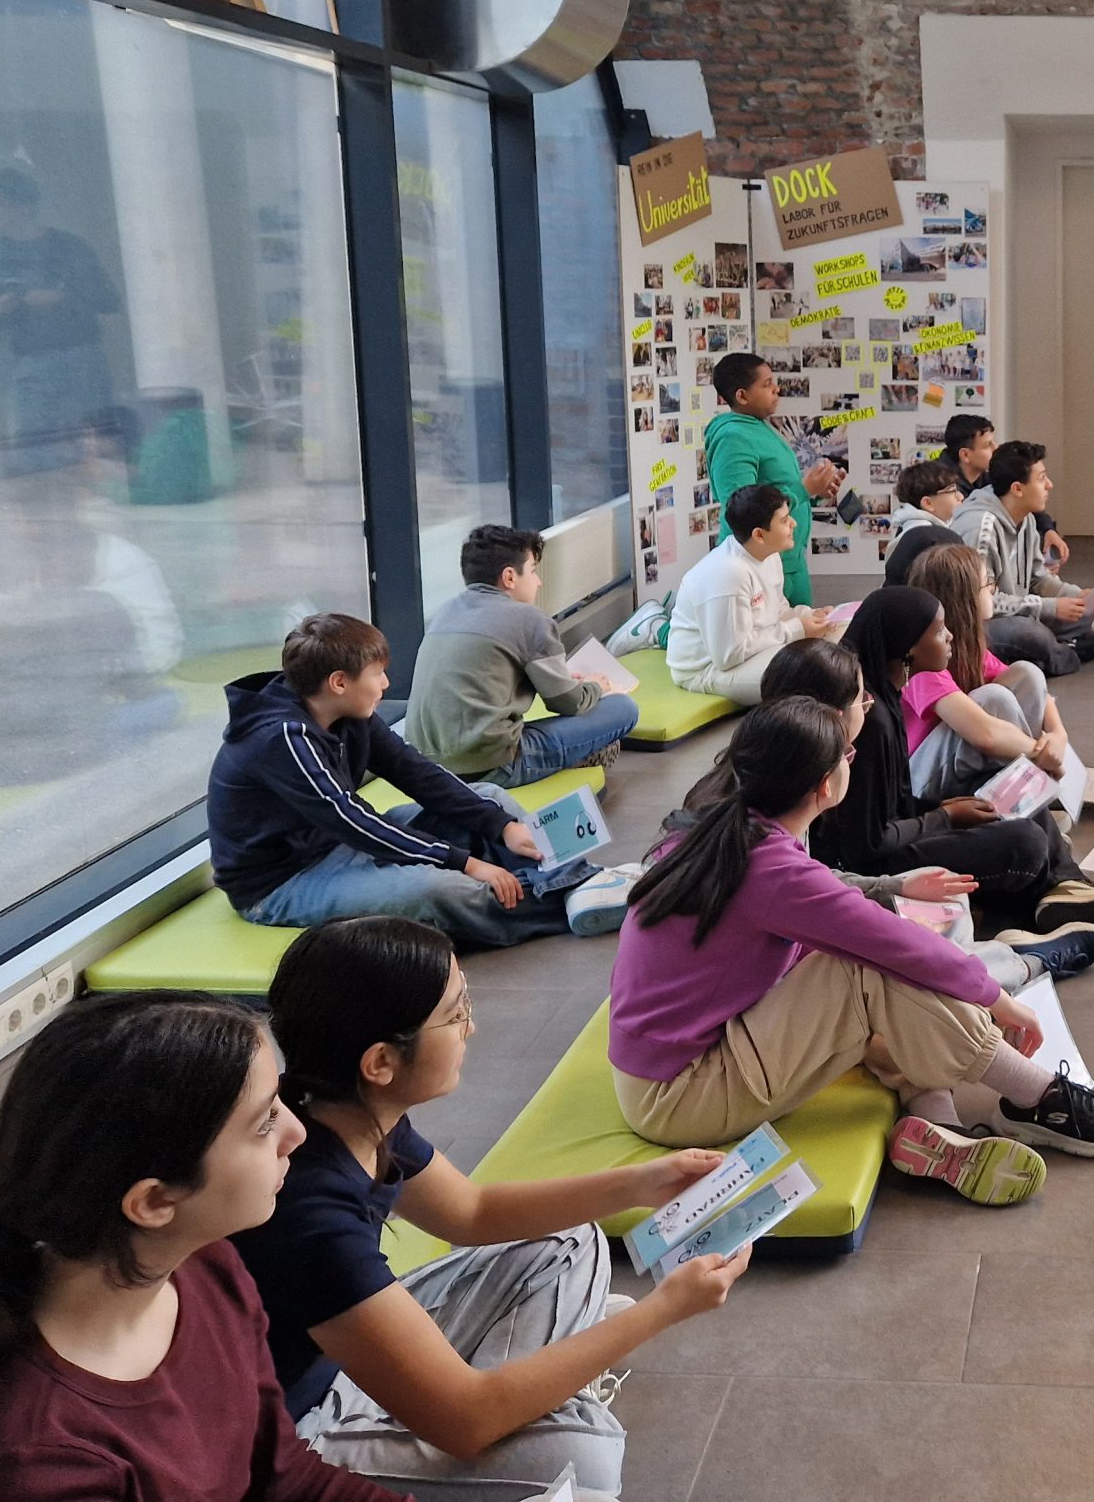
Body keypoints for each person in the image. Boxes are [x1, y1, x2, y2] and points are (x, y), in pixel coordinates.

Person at [236, 917, 744, 1497]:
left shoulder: (343, 1107)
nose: (471, 1026)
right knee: (584, 1459)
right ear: (380, 1062)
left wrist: (641, 1183)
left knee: (570, 1240)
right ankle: (519, 1394)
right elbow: (466, 1422)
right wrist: (664, 1308)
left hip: (347, 1355)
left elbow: (471, 1212)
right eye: (455, 1014)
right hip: (301, 1425)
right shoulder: (312, 1213)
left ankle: (516, 1392)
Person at [608, 696, 1094, 1204]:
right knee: (867, 969)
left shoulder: (721, 827)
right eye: (847, 753)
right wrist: (996, 1000)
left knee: (876, 974)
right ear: (825, 785)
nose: (854, 754)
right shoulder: (766, 865)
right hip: (680, 1097)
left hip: (672, 1068)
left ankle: (936, 1122)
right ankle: (1038, 1096)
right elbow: (890, 944)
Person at [0, 992, 390, 1502]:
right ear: (154, 1201)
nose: (296, 1132)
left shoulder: (207, 1267)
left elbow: (280, 1475)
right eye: (264, 1122)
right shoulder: (33, 1464)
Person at [677, 636, 1094, 983]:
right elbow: (827, 890)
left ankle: (1023, 932)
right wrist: (906, 876)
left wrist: (899, 884)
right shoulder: (776, 827)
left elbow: (812, 882)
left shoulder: (761, 786)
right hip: (769, 979)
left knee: (937, 909)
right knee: (905, 967)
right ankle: (1018, 961)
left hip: (792, 932)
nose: (870, 706)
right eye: (861, 700)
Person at [209, 613, 574, 948]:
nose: (386, 683)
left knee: (489, 799)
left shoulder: (346, 712)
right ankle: (569, 896)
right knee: (437, 890)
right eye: (377, 674)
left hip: (341, 842)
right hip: (286, 882)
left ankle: (566, 871)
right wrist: (467, 864)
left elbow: (416, 773)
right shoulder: (283, 738)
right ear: (339, 682)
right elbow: (353, 820)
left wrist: (503, 826)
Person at [823, 587, 1094, 933]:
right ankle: (1036, 903)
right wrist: (945, 817)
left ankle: (1068, 889)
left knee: (1005, 795)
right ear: (908, 648)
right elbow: (868, 847)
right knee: (1025, 842)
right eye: (938, 631)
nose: (950, 636)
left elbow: (894, 806)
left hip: (900, 834)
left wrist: (943, 809)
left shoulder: (886, 695)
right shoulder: (871, 719)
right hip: (877, 867)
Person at [406, 524, 641, 786]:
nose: (538, 581)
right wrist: (595, 686)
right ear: (509, 577)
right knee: (623, 708)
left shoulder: (444, 613)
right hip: (492, 766)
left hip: (428, 769)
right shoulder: (529, 619)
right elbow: (569, 703)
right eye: (533, 570)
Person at [0, 164, 123, 477]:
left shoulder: (69, 247)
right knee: (34, 449)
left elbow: (108, 300)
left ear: (23, 205)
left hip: (81, 358)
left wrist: (60, 297)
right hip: (28, 362)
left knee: (94, 443)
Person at [903, 541, 1071, 795]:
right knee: (993, 698)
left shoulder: (964, 645)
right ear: (964, 598)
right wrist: (1043, 753)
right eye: (987, 584)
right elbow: (986, 735)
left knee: (1027, 673)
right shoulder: (922, 661)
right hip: (920, 777)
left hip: (963, 759)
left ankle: (1030, 784)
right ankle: (1035, 784)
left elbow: (1038, 693)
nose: (994, 589)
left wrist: (1058, 735)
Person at [952, 440, 1094, 674]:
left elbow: (1038, 579)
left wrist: (1076, 596)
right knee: (1031, 633)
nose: (1049, 485)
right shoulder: (981, 528)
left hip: (1014, 612)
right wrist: (1050, 608)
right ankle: (1063, 653)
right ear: (1017, 489)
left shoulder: (1026, 519)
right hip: (976, 625)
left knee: (1079, 616)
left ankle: (1052, 647)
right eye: (1041, 479)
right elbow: (980, 603)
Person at [667, 482, 836, 703]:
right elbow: (729, 655)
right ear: (759, 535)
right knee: (809, 673)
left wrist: (810, 616)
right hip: (706, 670)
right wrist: (797, 629)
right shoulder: (729, 573)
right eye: (784, 520)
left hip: (746, 654)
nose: (793, 523)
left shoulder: (768, 555)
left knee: (837, 641)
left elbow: (777, 610)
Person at [704, 351, 844, 606]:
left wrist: (815, 492)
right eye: (767, 384)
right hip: (757, 567)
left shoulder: (758, 427)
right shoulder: (732, 438)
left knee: (806, 626)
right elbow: (742, 510)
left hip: (788, 560)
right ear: (742, 396)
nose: (777, 389)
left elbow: (776, 489)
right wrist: (804, 489)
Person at [942, 412, 1066, 572]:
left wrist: (1049, 529)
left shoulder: (986, 478)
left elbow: (1022, 502)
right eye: (987, 445)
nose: (995, 448)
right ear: (965, 454)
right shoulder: (942, 489)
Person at [884, 458, 968, 587]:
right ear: (928, 503)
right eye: (953, 491)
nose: (961, 496)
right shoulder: (927, 539)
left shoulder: (912, 528)